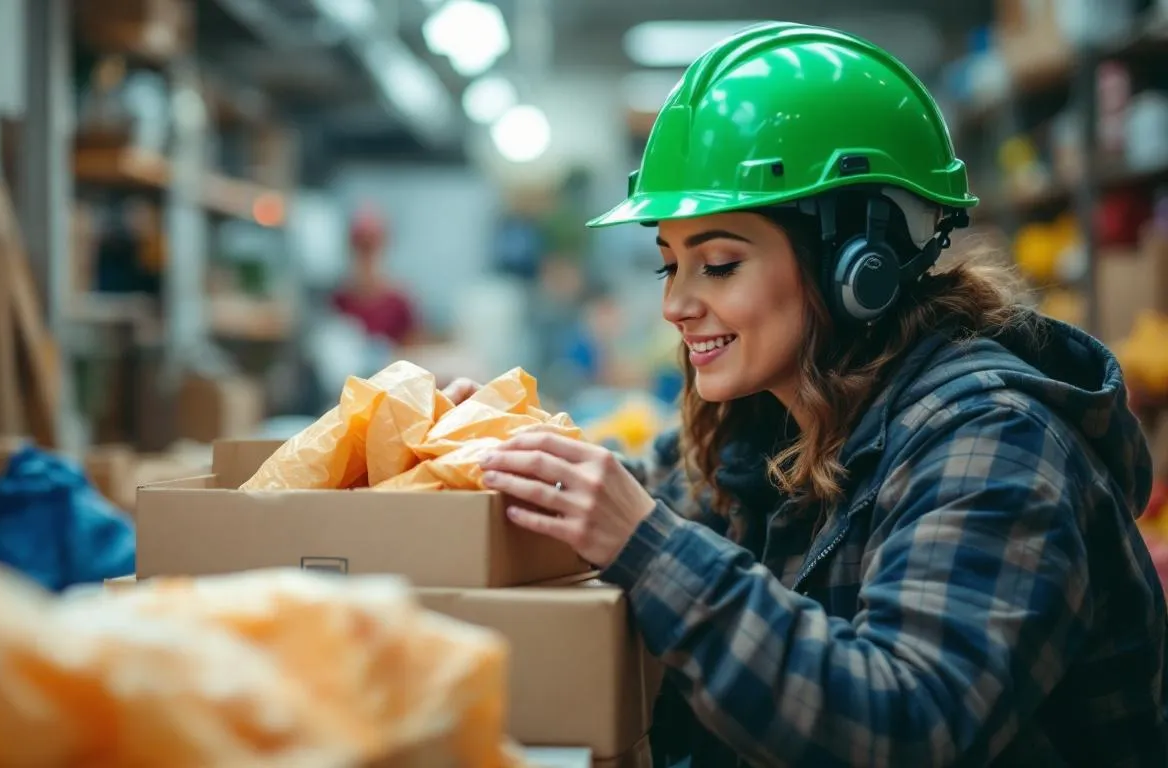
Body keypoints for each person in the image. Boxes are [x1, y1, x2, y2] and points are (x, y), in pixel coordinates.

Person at [444, 22, 1168, 767]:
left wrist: (643, 543)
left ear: (859, 264)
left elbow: (904, 726)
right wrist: (517, 454)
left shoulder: (999, 444)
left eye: (719, 263)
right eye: (670, 266)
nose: (676, 306)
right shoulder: (773, 416)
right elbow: (655, 499)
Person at [330, 205, 418, 346]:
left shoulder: (399, 302)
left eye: (371, 245)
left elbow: (413, 349)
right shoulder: (340, 300)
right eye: (361, 246)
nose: (367, 254)